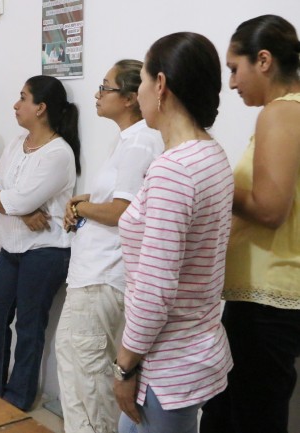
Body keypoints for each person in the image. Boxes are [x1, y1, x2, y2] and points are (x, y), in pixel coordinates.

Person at [114, 32, 234, 433]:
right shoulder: (210, 153)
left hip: (165, 367)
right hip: (195, 351)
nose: (141, 91)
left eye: (144, 80)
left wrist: (124, 366)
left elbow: (155, 291)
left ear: (161, 85)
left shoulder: (173, 170)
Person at [201, 15, 300, 433]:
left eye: (234, 69)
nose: (232, 83)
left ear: (263, 60)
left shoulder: (281, 112)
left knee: (251, 418)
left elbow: (270, 208)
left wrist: (212, 178)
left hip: (267, 300)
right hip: (263, 297)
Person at [55, 60, 163, 432]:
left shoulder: (141, 140)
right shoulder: (129, 140)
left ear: (131, 98)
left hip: (104, 275)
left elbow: (124, 210)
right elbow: (119, 197)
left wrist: (81, 206)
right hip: (94, 272)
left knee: (86, 374)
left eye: (106, 87)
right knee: (76, 366)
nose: (98, 95)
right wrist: (83, 202)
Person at [0, 75, 80, 411]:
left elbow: (4, 195)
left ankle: (18, 398)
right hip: (12, 247)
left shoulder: (58, 153)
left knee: (29, 327)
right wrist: (12, 205)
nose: (16, 105)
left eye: (23, 98)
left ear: (41, 108)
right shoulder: (16, 143)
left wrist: (1, 198)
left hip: (45, 251)